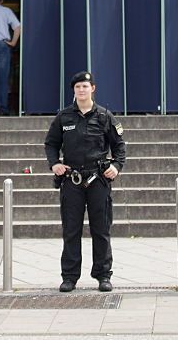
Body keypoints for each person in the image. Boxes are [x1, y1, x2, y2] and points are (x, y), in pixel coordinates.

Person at [44, 71, 126, 293]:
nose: (82, 90)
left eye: (85, 86)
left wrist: (116, 166)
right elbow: (51, 144)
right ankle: (70, 276)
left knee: (101, 229)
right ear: (74, 90)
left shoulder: (104, 116)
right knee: (71, 230)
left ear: (93, 89)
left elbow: (119, 146)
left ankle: (103, 275)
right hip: (72, 180)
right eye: (78, 86)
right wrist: (54, 164)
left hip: (98, 179)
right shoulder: (64, 117)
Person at [0, 0, 21, 115]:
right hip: (2, 46)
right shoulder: (6, 11)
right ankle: (3, 109)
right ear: (1, 1)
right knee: (2, 80)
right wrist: (13, 42)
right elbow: (18, 27)